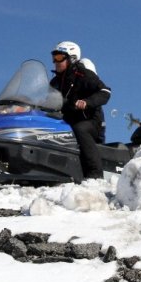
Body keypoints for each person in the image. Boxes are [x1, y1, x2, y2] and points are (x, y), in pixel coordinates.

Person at [49, 41, 111, 179]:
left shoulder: (83, 75)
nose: (55, 61)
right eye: (54, 58)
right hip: (67, 120)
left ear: (72, 58)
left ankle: (95, 175)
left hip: (90, 121)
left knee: (79, 129)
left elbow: (105, 92)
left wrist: (87, 102)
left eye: (59, 57)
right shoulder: (55, 82)